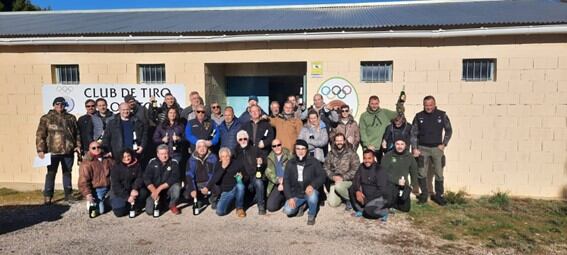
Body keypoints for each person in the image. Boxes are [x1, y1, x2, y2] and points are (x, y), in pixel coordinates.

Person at [36, 97, 81, 204]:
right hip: (52, 152)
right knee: (51, 173)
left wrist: (78, 145)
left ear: (65, 105)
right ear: (53, 105)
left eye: (62, 104)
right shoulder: (46, 118)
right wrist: (40, 149)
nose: (60, 106)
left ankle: (68, 194)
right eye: (57, 104)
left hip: (68, 152)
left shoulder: (71, 118)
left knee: (67, 173)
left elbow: (77, 133)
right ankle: (48, 196)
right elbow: (40, 135)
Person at [410, 95, 453, 205]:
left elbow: (449, 130)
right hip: (422, 149)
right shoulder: (419, 116)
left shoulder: (442, 115)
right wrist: (415, 148)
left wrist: (444, 144)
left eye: (430, 105)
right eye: (426, 105)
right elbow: (413, 134)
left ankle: (439, 196)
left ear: (434, 104)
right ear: (423, 105)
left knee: (439, 173)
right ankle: (424, 195)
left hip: (436, 149)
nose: (428, 107)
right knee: (421, 173)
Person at [350, 149, 411, 221]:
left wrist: (367, 200)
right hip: (366, 195)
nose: (367, 161)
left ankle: (384, 212)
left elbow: (382, 190)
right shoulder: (361, 167)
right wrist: (357, 191)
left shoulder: (379, 170)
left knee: (369, 211)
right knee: (351, 188)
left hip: (379, 197)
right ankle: (361, 210)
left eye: (369, 158)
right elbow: (356, 180)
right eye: (365, 158)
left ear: (374, 158)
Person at [283, 139, 326, 225]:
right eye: (298, 149)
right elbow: (286, 181)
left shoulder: (314, 161)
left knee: (312, 197)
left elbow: (322, 176)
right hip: (296, 193)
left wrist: (312, 185)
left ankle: (311, 214)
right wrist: (289, 197)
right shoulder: (290, 163)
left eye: (303, 149)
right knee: (288, 211)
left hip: (309, 191)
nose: (300, 151)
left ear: (307, 150)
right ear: (295, 150)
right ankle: (303, 205)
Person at [207, 147, 247, 217]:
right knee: (220, 212)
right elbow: (215, 179)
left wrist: (242, 177)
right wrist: (223, 168)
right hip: (225, 191)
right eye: (223, 156)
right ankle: (230, 201)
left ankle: (239, 208)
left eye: (227, 156)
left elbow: (247, 176)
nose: (225, 158)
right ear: (220, 158)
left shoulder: (237, 163)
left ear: (230, 156)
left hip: (235, 187)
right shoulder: (218, 165)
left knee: (240, 186)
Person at [323, 133, 360, 209]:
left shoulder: (352, 153)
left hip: (348, 181)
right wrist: (333, 177)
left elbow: (356, 169)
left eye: (341, 140)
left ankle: (350, 199)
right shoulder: (330, 154)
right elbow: (326, 167)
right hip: (335, 180)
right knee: (333, 203)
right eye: (337, 141)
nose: (339, 143)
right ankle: (343, 196)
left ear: (344, 141)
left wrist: (342, 177)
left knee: (339, 186)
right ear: (334, 142)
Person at [234, 130, 266, 215]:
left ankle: (261, 206)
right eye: (240, 139)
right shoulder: (235, 151)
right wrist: (237, 173)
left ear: (248, 139)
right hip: (243, 177)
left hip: (254, 175)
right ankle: (239, 207)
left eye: (245, 138)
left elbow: (264, 160)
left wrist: (261, 161)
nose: (243, 141)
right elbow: (232, 166)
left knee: (259, 182)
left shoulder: (255, 149)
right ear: (238, 141)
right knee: (239, 185)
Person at [144, 145, 182, 216]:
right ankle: (161, 203)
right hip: (154, 190)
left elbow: (174, 178)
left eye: (166, 153)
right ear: (158, 154)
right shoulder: (152, 162)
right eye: (161, 154)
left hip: (168, 189)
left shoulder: (174, 162)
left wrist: (159, 188)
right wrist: (154, 191)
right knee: (149, 211)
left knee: (177, 187)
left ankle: (172, 204)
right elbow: (146, 178)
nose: (164, 156)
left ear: (169, 153)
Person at [78, 141, 114, 216]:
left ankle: (105, 201)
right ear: (89, 149)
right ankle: (94, 201)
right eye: (93, 148)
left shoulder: (107, 159)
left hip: (110, 187)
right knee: (101, 211)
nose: (96, 149)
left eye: (98, 147)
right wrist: (88, 194)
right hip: (97, 190)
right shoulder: (86, 163)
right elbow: (83, 181)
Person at [110, 148, 148, 217]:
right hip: (120, 191)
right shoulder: (116, 167)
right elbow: (116, 185)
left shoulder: (137, 164)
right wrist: (127, 197)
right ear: (121, 157)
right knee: (119, 213)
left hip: (132, 189)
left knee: (143, 192)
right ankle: (111, 201)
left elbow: (140, 178)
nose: (127, 158)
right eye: (124, 157)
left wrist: (135, 188)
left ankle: (135, 205)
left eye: (128, 156)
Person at [359, 95, 397, 164]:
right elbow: (362, 131)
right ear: (369, 104)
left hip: (383, 146)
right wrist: (367, 145)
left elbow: (398, 114)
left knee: (383, 166)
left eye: (376, 103)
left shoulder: (385, 112)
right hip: (370, 146)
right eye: (372, 104)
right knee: (369, 165)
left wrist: (400, 104)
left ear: (379, 103)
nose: (374, 106)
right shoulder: (364, 116)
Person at [185, 140, 219, 210]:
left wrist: (207, 186)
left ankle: (212, 199)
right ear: (196, 149)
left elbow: (214, 174)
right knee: (187, 193)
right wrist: (193, 189)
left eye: (204, 146)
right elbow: (189, 175)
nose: (202, 149)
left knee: (217, 188)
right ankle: (199, 199)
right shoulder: (191, 159)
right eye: (199, 147)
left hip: (209, 181)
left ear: (207, 148)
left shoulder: (213, 157)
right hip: (197, 183)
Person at [264, 138, 292, 212]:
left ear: (281, 145)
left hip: (289, 183)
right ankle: (283, 199)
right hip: (277, 184)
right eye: (274, 146)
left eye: (278, 145)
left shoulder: (289, 154)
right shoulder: (270, 157)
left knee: (290, 209)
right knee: (270, 207)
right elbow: (268, 172)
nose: (277, 147)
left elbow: (293, 170)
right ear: (272, 148)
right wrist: (278, 180)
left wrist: (283, 181)